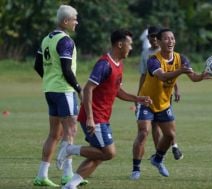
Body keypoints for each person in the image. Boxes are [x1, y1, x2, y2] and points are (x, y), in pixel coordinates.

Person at [57, 29, 152, 189]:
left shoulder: (119, 64)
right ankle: (69, 149)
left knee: (99, 155)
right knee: (109, 153)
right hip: (95, 116)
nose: (131, 48)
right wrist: (90, 118)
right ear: (120, 44)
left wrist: (137, 99)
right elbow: (88, 89)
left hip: (103, 117)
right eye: (130, 44)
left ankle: (70, 185)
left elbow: (117, 91)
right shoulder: (104, 64)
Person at [130, 28, 210, 180]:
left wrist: (202, 76)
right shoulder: (153, 60)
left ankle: (157, 159)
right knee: (143, 132)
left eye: (172, 38)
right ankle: (136, 169)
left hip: (164, 103)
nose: (170, 41)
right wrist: (180, 71)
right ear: (159, 42)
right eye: (166, 39)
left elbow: (192, 77)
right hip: (147, 101)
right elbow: (163, 77)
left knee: (170, 135)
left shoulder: (181, 58)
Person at [33, 5, 86, 187]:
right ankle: (67, 175)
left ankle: (42, 175)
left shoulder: (46, 39)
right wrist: (79, 89)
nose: (76, 22)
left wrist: (49, 79)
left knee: (55, 134)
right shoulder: (65, 41)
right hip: (64, 91)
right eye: (74, 19)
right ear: (65, 21)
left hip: (50, 90)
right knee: (70, 131)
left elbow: (37, 66)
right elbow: (66, 70)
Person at [138, 26, 183, 160]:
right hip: (150, 94)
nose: (153, 39)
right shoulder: (146, 54)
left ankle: (174, 145)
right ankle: (160, 153)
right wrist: (139, 95)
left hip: (164, 94)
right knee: (154, 125)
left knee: (167, 123)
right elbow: (143, 75)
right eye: (151, 36)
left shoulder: (165, 51)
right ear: (149, 38)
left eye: (155, 36)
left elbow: (172, 73)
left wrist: (176, 89)